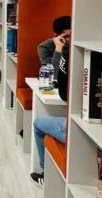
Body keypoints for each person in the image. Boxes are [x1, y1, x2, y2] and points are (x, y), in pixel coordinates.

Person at [30, 16, 71, 189]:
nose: (71, 39)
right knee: (39, 123)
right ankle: (46, 174)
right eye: (68, 36)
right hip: (57, 92)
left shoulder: (80, 48)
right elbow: (52, 73)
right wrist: (59, 49)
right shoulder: (45, 47)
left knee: (40, 123)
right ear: (58, 35)